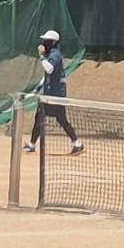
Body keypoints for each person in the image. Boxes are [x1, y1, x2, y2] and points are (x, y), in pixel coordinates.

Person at [28, 27, 82, 155]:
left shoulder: (55, 55)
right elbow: (47, 76)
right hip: (52, 94)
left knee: (41, 115)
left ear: (53, 42)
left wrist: (41, 56)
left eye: (47, 40)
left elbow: (50, 69)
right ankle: (77, 143)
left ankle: (32, 144)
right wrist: (37, 89)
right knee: (60, 119)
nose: (43, 43)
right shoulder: (52, 55)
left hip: (55, 95)